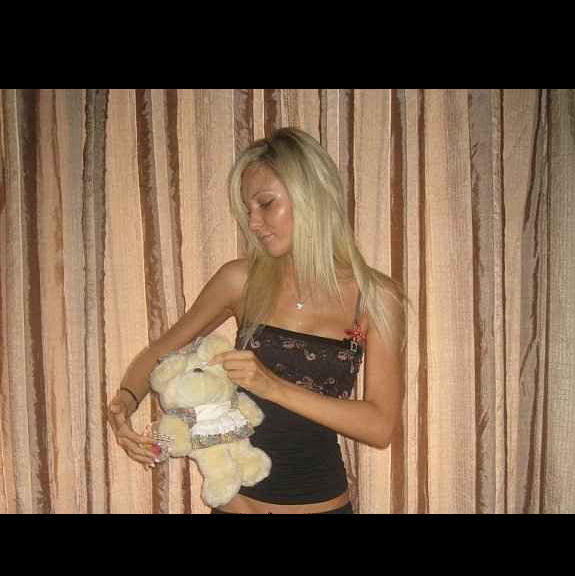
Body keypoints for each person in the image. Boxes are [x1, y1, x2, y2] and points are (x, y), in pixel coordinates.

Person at [108, 127, 404, 514]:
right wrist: (124, 403)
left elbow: (380, 427)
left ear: (311, 195)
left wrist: (272, 386)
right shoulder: (240, 280)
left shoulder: (374, 297)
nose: (253, 222)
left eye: (266, 204)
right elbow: (161, 353)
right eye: (248, 210)